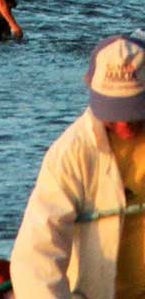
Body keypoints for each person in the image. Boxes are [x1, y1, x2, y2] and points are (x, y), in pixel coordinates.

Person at [10, 33, 145, 299]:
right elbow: (37, 255)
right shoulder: (71, 153)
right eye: (114, 113)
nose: (124, 125)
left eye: (133, 110)